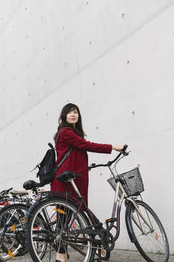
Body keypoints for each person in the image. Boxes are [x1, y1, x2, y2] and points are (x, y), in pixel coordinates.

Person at [51, 103, 125, 262]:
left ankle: (62, 255)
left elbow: (74, 153)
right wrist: (113, 147)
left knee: (65, 220)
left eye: (75, 112)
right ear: (63, 116)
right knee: (66, 219)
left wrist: (85, 167)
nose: (73, 115)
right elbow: (87, 145)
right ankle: (64, 255)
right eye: (69, 112)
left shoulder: (67, 133)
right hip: (68, 181)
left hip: (70, 178)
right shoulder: (66, 132)